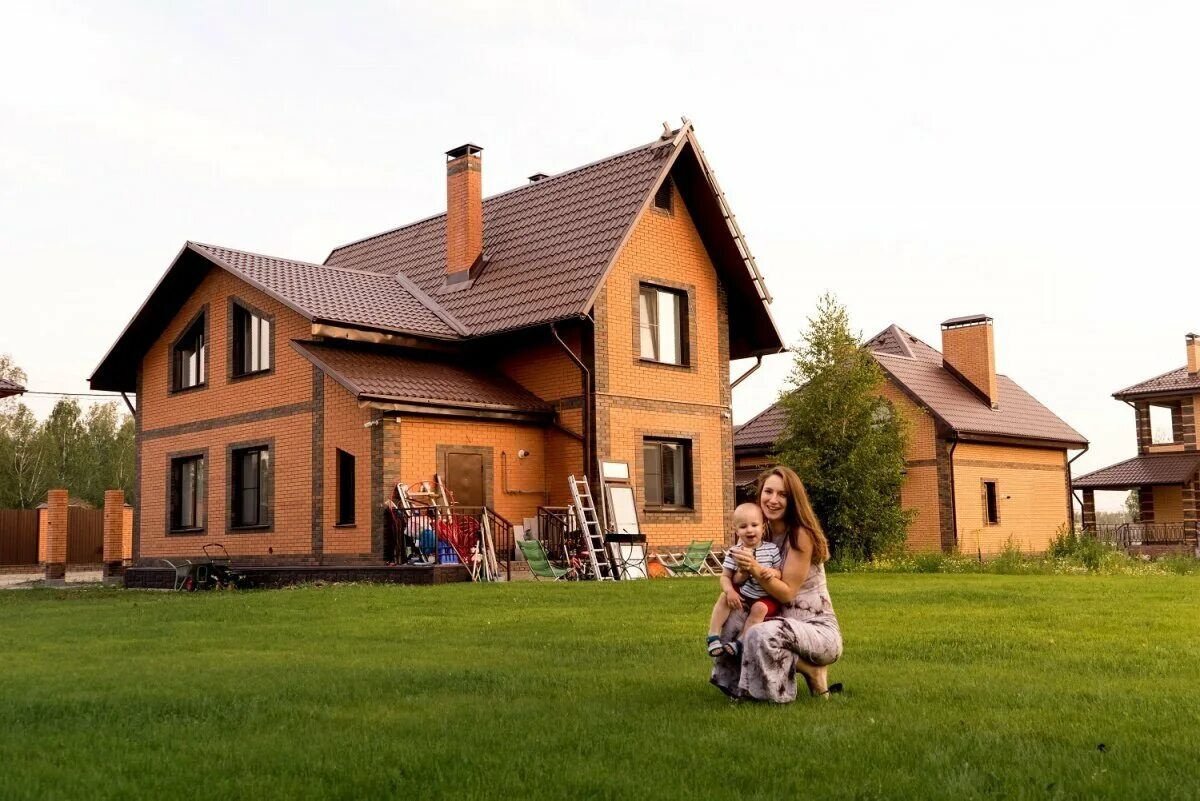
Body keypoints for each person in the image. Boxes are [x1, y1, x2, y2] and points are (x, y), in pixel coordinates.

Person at [710, 465, 843, 701]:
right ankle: (738, 690)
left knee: (759, 633)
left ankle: (770, 695)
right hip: (775, 618)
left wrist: (755, 569)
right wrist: (736, 579)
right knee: (733, 612)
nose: (773, 500)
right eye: (768, 491)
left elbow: (786, 595)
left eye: (782, 494)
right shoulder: (760, 532)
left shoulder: (800, 534)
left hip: (815, 630)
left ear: (793, 501)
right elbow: (739, 582)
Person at [705, 503, 783, 657]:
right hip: (744, 592)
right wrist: (730, 591)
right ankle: (713, 636)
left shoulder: (771, 549)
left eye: (754, 525)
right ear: (736, 530)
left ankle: (740, 642)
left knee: (759, 609)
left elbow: (780, 573)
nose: (749, 530)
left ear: (763, 527)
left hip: (765, 596)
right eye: (743, 526)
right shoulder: (735, 552)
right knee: (723, 597)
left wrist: (772, 572)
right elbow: (725, 576)